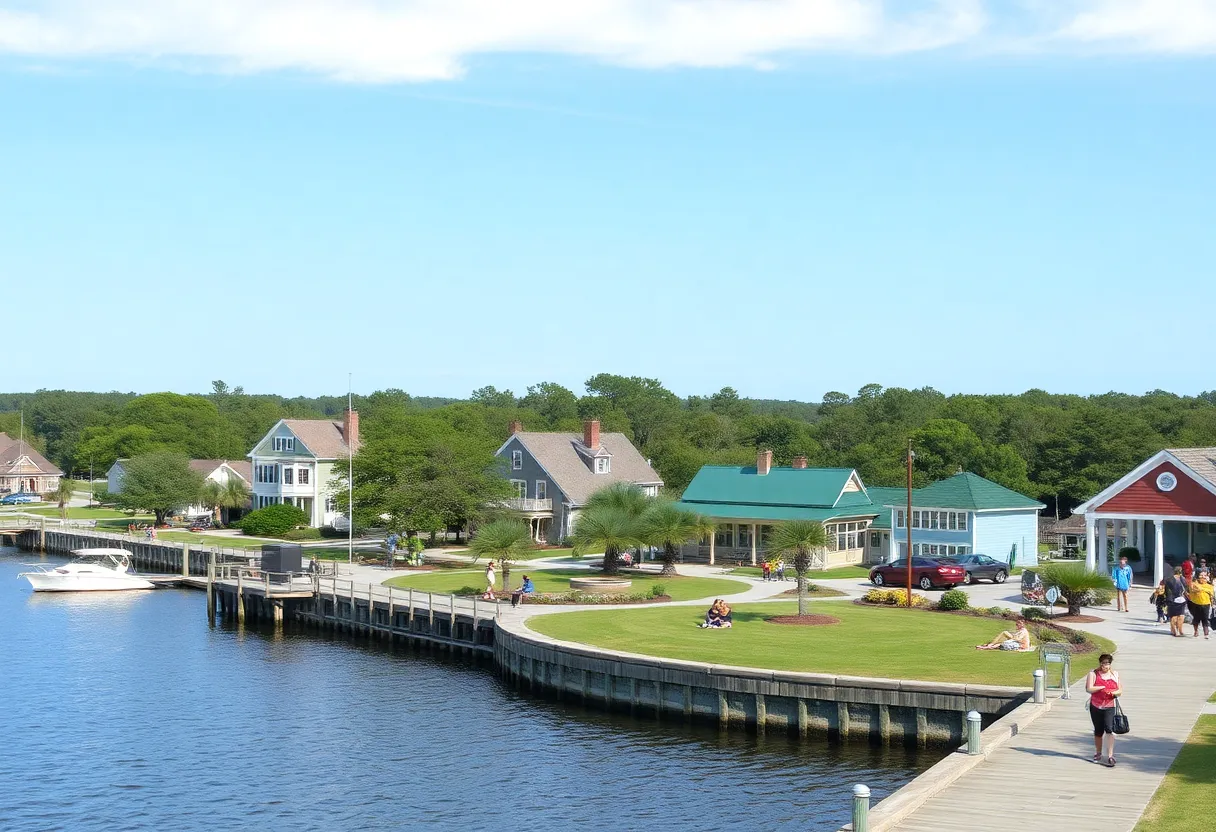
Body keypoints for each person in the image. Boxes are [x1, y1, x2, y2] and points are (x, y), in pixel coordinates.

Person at [1085, 653, 1122, 767]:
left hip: (1109, 706)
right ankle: (1098, 753)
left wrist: (1113, 693)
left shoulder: (1114, 674)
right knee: (1098, 730)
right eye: (1103, 663)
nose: (1105, 666)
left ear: (1110, 664)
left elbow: (1120, 690)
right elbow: (1089, 689)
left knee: (1109, 729)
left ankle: (1110, 755)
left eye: (1107, 664)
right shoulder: (1093, 674)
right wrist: (1101, 687)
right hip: (1096, 705)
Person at [1186, 571, 1213, 639]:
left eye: (1204, 575)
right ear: (1198, 576)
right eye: (1201, 575)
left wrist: (1201, 589)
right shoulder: (1194, 583)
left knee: (1205, 619)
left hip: (1206, 603)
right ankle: (1196, 631)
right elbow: (1192, 590)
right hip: (1195, 603)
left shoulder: (1209, 585)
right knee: (1196, 619)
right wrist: (1200, 589)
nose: (1203, 577)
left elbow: (1211, 592)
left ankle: (1206, 634)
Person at [1165, 566, 1189, 637]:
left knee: (1174, 616)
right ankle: (1179, 631)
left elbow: (1167, 591)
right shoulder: (1183, 579)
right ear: (1181, 571)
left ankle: (1175, 631)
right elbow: (1186, 589)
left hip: (1173, 599)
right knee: (1180, 615)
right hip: (1181, 599)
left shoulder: (1169, 579)